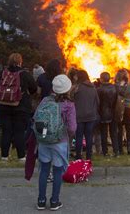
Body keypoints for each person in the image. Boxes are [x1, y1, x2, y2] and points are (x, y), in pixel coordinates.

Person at [36, 74, 76, 211]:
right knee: (57, 172)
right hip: (60, 141)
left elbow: (36, 118)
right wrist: (68, 136)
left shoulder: (45, 101)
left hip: (44, 140)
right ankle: (54, 201)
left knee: (44, 171)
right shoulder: (69, 105)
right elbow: (72, 127)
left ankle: (41, 201)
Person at [0, 53, 37, 162]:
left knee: (6, 131)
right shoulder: (24, 74)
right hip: (21, 107)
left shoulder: (2, 73)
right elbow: (33, 88)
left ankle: (4, 156)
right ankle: (21, 156)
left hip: (3, 106)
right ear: (20, 62)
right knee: (19, 131)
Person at [72, 70, 99, 160]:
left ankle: (78, 156)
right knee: (89, 136)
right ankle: (89, 156)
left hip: (79, 116)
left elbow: (71, 99)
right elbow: (97, 102)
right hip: (91, 116)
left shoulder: (77, 88)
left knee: (79, 136)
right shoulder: (93, 88)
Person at [96, 72, 119, 157]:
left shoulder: (99, 90)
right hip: (113, 113)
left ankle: (105, 152)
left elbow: (97, 103)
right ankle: (116, 151)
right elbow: (117, 101)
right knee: (114, 133)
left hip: (103, 113)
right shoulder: (114, 88)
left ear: (101, 79)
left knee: (104, 134)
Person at [115, 69, 130, 155]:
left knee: (119, 129)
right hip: (128, 108)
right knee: (128, 128)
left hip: (119, 108)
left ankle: (120, 149)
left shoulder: (115, 86)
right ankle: (129, 147)